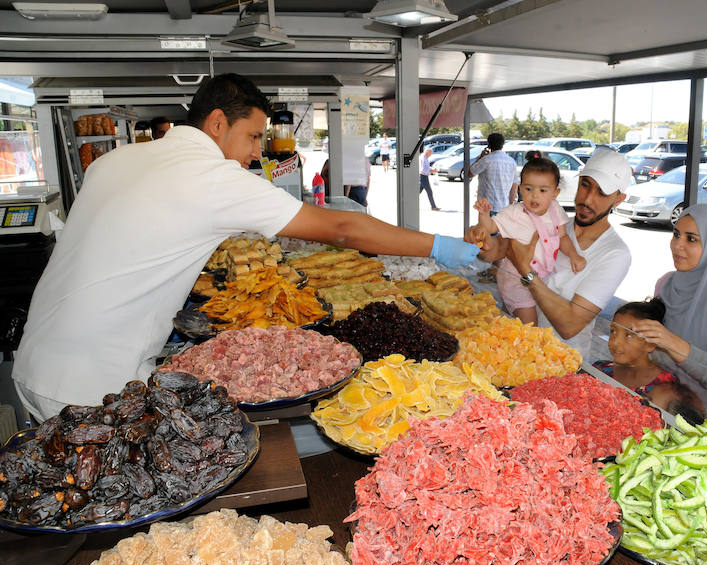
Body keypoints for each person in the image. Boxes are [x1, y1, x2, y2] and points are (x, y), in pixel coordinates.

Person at [12, 73, 479, 421]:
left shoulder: (114, 161)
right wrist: (438, 243)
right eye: (254, 135)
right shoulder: (213, 176)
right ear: (217, 123)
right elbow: (342, 228)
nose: (259, 151)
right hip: (91, 382)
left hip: (32, 361)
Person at [467, 150, 632, 360]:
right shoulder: (555, 222)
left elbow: (569, 325)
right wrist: (480, 238)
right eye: (585, 185)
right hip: (518, 348)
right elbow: (498, 250)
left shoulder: (615, 254)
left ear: (618, 200)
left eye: (602, 193)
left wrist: (525, 271)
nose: (588, 199)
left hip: (561, 363)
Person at [630, 203, 707, 417]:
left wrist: (670, 341)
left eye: (691, 239)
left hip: (705, 420)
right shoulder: (666, 284)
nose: (677, 245)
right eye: (676, 234)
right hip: (662, 405)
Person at [472, 157, 585, 325]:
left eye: (543, 190)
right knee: (530, 325)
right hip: (515, 280)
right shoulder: (515, 213)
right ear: (520, 188)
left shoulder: (555, 210)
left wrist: (574, 255)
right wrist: (483, 215)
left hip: (539, 278)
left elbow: (562, 237)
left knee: (511, 320)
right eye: (529, 188)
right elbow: (490, 228)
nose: (534, 196)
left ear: (555, 193)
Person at [468, 132, 517, 216]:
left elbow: (470, 173)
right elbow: (514, 185)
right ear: (502, 144)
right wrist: (511, 205)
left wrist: (480, 157)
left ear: (489, 145)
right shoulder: (511, 162)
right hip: (504, 207)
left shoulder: (486, 160)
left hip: (487, 207)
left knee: (487, 229)